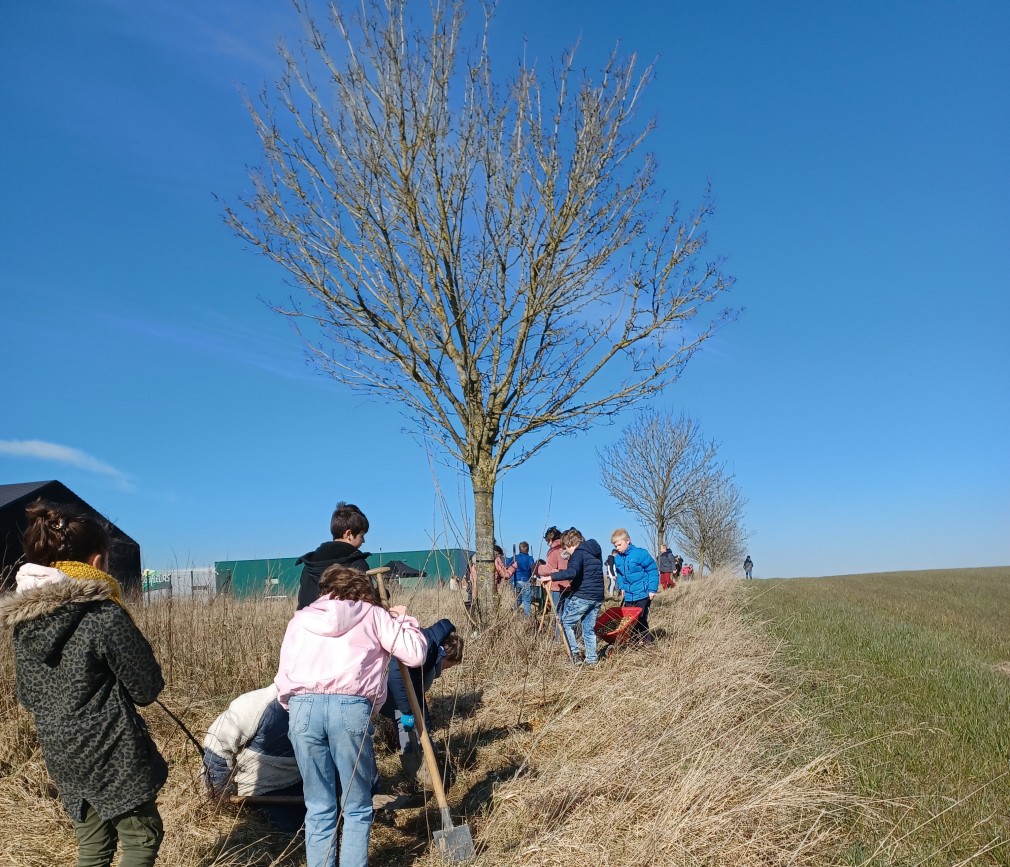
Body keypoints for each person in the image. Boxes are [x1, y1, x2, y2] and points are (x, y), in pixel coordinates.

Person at [0, 501, 167, 867]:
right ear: (96, 562)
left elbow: (28, 696)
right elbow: (147, 688)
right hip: (112, 747)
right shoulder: (103, 614)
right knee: (142, 838)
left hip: (61, 749)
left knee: (93, 845)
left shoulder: (24, 621)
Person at [276, 564, 427, 867]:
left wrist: (295, 710)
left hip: (303, 708)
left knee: (318, 806)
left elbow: (284, 674)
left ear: (324, 590)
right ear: (361, 589)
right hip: (350, 707)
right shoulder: (374, 615)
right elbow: (415, 654)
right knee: (356, 807)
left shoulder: (301, 620)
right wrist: (402, 621)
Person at [203, 684, 304, 832]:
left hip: (301, 785)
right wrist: (221, 793)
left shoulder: (331, 704)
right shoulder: (255, 704)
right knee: (287, 830)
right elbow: (216, 746)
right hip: (258, 791)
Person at [379, 619, 463, 780]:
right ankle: (419, 779)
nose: (444, 670)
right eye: (448, 666)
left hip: (396, 691)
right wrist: (406, 711)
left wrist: (425, 721)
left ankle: (427, 774)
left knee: (417, 727)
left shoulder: (430, 648)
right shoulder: (427, 646)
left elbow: (415, 688)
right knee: (408, 731)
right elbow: (397, 675)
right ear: (445, 656)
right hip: (387, 689)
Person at [296, 502, 370, 610]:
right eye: (361, 536)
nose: (363, 541)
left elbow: (303, 601)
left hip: (307, 624)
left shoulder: (310, 565)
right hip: (342, 625)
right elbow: (366, 604)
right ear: (348, 534)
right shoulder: (356, 564)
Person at [551, 528, 605, 665]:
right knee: (588, 627)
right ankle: (592, 660)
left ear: (569, 544)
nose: (566, 551)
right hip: (597, 596)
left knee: (566, 622)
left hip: (583, 595)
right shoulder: (594, 552)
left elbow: (572, 572)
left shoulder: (578, 553)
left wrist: (552, 576)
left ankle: (574, 655)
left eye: (565, 547)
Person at [611, 527, 660, 643]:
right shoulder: (618, 559)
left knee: (640, 619)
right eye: (615, 546)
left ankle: (647, 641)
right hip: (629, 594)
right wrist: (622, 587)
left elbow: (652, 570)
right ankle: (633, 642)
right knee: (629, 620)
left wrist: (652, 589)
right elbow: (620, 574)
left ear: (628, 540)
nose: (617, 548)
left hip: (642, 593)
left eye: (619, 545)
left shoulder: (640, 554)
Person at [535, 526, 571, 630]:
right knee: (567, 613)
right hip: (570, 584)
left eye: (547, 542)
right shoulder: (567, 548)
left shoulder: (553, 551)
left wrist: (537, 569)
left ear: (550, 540)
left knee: (558, 613)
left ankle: (559, 638)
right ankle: (568, 637)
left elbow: (549, 568)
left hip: (557, 586)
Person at [509, 542, 536, 616]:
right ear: (528, 550)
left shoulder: (515, 557)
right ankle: (527, 619)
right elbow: (533, 569)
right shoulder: (530, 558)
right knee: (526, 601)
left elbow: (507, 564)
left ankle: (511, 612)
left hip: (515, 581)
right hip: (525, 581)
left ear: (519, 549)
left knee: (518, 599)